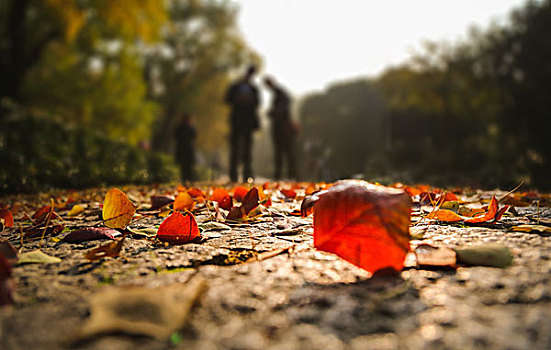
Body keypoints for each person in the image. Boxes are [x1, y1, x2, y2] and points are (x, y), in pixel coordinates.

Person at [225, 65, 260, 182]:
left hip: (248, 121)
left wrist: (248, 101)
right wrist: (238, 99)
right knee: (235, 148)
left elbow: (257, 103)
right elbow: (227, 99)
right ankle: (233, 175)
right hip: (237, 120)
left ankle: (247, 174)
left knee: (247, 149)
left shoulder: (253, 88)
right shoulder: (235, 86)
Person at [264, 76, 297, 180]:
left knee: (285, 152)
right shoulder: (279, 93)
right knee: (285, 152)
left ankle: (287, 175)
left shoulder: (280, 93)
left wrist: (274, 113)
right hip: (281, 126)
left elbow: (282, 107)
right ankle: (287, 175)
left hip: (282, 127)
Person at [173, 113, 196, 182]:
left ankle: (187, 179)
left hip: (185, 150)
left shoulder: (183, 127)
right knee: (184, 166)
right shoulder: (182, 127)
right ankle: (186, 180)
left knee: (187, 166)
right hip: (183, 150)